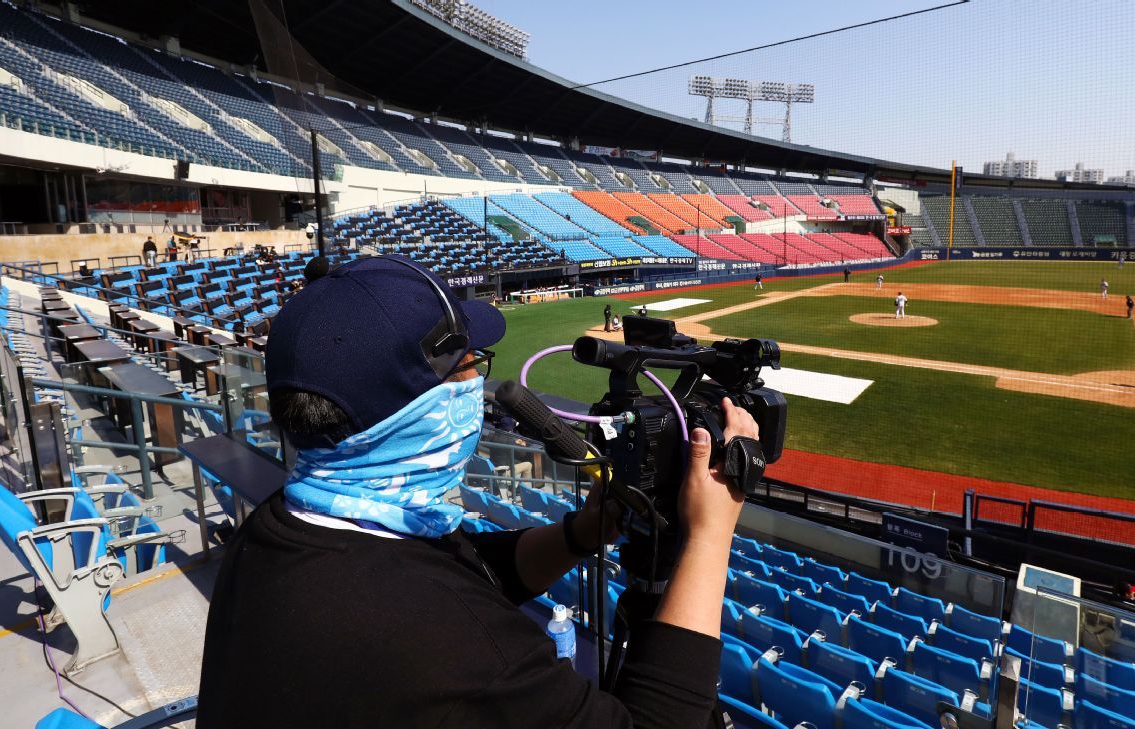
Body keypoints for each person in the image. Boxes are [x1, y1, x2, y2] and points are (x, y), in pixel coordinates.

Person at [196, 255, 758, 728]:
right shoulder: (455, 652)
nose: (478, 387)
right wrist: (710, 534)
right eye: (469, 366)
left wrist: (582, 532)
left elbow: (462, 574)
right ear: (414, 412)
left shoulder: (281, 528)